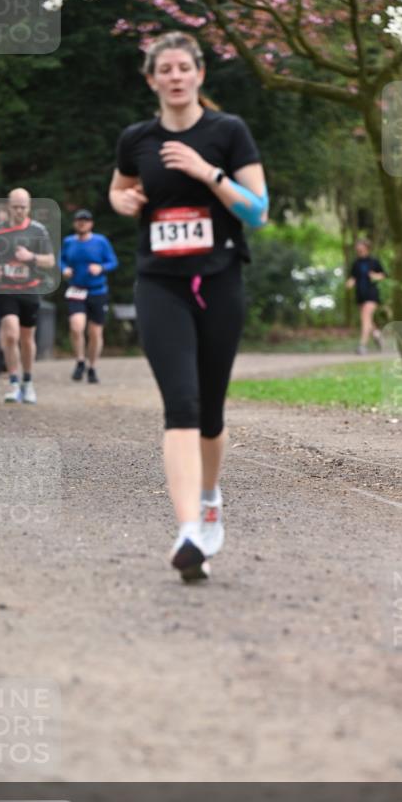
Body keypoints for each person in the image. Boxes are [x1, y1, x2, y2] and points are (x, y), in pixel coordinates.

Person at [109, 31, 268, 582]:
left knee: (210, 413)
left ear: (200, 74)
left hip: (219, 281)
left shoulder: (228, 132)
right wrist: (123, 200)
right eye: (165, 69)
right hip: (159, 284)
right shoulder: (136, 139)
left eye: (184, 67)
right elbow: (119, 189)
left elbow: (258, 211)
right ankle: (189, 531)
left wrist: (207, 173)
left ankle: (208, 497)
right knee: (181, 404)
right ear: (151, 80)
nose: (175, 76)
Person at [0, 188, 55, 404]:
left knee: (26, 338)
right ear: (9, 206)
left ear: (29, 207)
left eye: (23, 207)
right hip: (6, 289)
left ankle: (28, 381)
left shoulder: (38, 230)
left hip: (30, 290)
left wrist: (31, 256)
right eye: (15, 207)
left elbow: (50, 260)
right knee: (11, 334)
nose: (19, 211)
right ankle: (14, 383)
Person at [60, 209, 118, 384]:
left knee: (95, 332)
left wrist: (101, 268)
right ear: (75, 223)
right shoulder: (69, 242)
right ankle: (80, 361)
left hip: (97, 291)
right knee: (76, 327)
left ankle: (92, 367)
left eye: (85, 220)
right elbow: (60, 260)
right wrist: (64, 269)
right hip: (76, 290)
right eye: (79, 220)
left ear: (91, 223)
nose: (82, 223)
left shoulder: (101, 241)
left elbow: (113, 262)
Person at [345, 238, 386, 353]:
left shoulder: (374, 262)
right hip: (360, 295)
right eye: (358, 248)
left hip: (371, 294)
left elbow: (383, 275)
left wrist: (375, 276)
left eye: (361, 248)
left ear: (367, 248)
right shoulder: (356, 263)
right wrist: (350, 283)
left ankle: (362, 345)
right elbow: (353, 277)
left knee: (365, 318)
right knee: (367, 320)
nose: (359, 250)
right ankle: (377, 334)